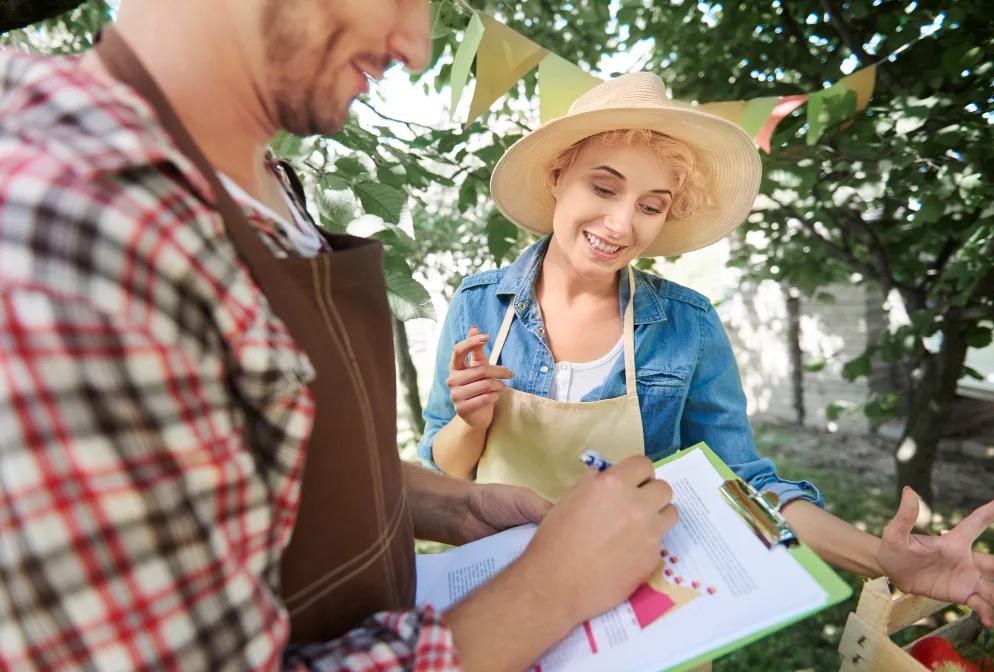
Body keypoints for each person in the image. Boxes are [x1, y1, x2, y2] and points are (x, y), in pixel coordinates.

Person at [0, 1, 680, 670]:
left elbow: (272, 469)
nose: (416, 46)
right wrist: (548, 590)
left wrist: (457, 506)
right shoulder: (70, 229)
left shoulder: (253, 179)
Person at [418, 73, 994, 626]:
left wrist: (883, 558)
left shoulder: (687, 324)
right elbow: (441, 473)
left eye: (651, 204)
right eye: (603, 187)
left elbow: (740, 483)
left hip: (637, 603)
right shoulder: (479, 305)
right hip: (500, 594)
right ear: (556, 176)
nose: (621, 224)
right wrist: (471, 423)